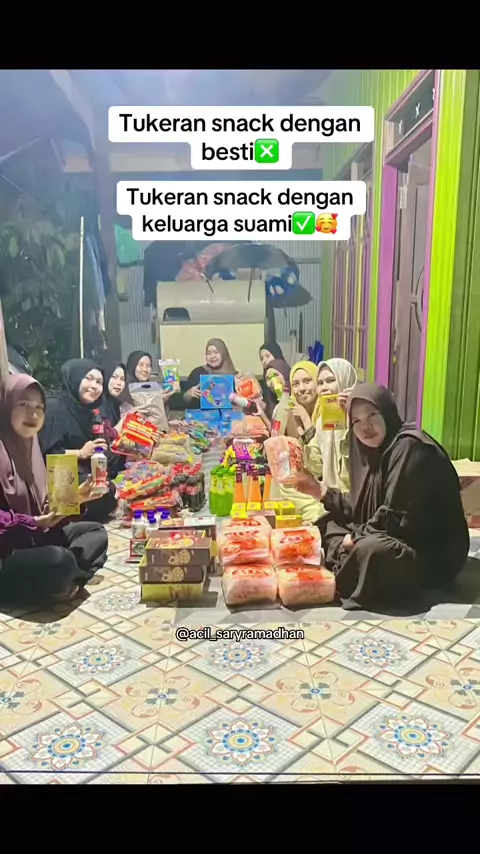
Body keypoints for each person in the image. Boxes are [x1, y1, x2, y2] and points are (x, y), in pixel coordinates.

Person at [293, 384, 469, 613]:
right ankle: (351, 561)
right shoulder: (378, 451)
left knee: (372, 549)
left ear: (387, 412)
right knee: (327, 523)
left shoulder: (409, 447)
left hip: (430, 553)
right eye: (356, 421)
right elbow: (361, 508)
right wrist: (320, 490)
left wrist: (352, 539)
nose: (365, 427)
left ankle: (349, 564)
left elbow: (392, 518)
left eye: (372, 415)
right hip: (398, 534)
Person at [0, 375, 108, 605]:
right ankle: (65, 579)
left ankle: (62, 583)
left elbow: (50, 509)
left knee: (96, 532)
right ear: (7, 406)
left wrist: (75, 498)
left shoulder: (33, 447)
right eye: (23, 404)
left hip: (37, 539)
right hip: (6, 551)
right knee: (59, 559)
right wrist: (33, 522)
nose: (33, 414)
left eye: (39, 407)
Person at [39, 359, 117, 524]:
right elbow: (46, 454)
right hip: (55, 474)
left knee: (107, 489)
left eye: (99, 382)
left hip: (78, 471)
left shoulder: (87, 412)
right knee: (101, 494)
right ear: (75, 378)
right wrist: (81, 453)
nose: (94, 386)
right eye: (88, 379)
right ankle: (62, 519)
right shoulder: (55, 407)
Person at [311, 358, 357, 492]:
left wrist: (352, 412)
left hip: (356, 495)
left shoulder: (361, 416)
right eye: (320, 383)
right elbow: (316, 465)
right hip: (331, 496)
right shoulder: (322, 421)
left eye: (331, 380)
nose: (324, 388)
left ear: (345, 381)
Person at [183, 338, 237, 409]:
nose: (212, 356)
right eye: (208, 353)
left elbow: (244, 404)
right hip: (202, 415)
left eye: (216, 352)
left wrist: (240, 388)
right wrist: (189, 394)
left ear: (223, 354)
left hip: (229, 415)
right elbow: (183, 402)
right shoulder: (197, 373)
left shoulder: (234, 375)